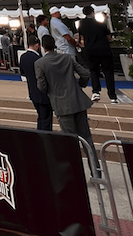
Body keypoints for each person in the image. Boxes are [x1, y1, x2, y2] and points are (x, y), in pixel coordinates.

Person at [35, 35, 99, 171]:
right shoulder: (67, 58)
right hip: (77, 101)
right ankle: (96, 173)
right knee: (87, 139)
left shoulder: (40, 63)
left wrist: (50, 91)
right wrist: (79, 85)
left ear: (43, 47)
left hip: (61, 105)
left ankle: (76, 173)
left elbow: (41, 86)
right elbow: (85, 73)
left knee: (70, 142)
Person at [78, 6, 118, 103]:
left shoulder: (81, 24)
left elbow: (81, 37)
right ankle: (112, 96)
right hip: (103, 49)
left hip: (90, 50)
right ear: (93, 12)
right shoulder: (100, 24)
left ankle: (96, 92)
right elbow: (108, 37)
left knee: (94, 71)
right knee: (108, 72)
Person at [19, 34, 53, 131]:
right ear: (37, 45)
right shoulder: (38, 59)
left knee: (41, 117)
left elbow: (23, 72)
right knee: (46, 119)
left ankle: (40, 137)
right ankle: (45, 140)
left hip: (32, 92)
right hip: (42, 93)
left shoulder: (23, 57)